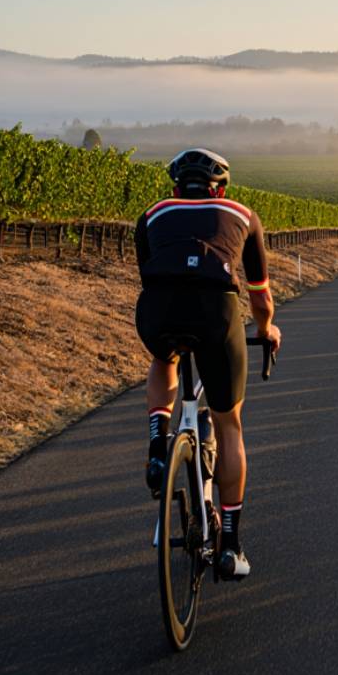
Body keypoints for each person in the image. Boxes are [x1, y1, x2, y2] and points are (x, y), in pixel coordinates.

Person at [133, 147, 281, 581]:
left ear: (176, 187)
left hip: (158, 310)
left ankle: (159, 445)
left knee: (165, 356)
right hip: (216, 314)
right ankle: (231, 546)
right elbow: (260, 296)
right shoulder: (244, 215)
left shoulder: (151, 215)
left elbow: (152, 275)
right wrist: (267, 329)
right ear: (221, 187)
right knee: (228, 423)